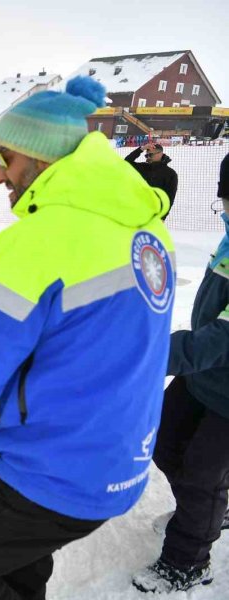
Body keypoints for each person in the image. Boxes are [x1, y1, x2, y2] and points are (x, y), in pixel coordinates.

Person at [0, 76, 175, 600]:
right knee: (17, 562)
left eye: (5, 156)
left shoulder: (41, 238)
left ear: (41, 157)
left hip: (59, 468)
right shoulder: (145, 227)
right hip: (117, 453)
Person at [132, 153, 229, 594]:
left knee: (202, 475)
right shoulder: (228, 243)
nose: (225, 212)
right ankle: (209, 506)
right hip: (201, 377)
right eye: (224, 203)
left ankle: (187, 562)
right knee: (163, 441)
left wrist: (145, 355)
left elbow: (217, 340)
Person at [125, 142, 178, 219]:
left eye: (150, 155)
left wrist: (163, 217)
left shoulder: (170, 173)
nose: (148, 157)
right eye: (146, 155)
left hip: (155, 215)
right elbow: (126, 162)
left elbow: (170, 197)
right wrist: (142, 149)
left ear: (160, 154)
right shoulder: (143, 167)